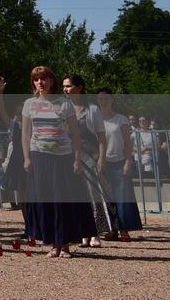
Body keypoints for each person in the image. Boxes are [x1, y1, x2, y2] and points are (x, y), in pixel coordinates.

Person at [22, 65, 97, 257]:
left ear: (51, 81)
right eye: (37, 79)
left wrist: (77, 159)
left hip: (62, 157)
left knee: (61, 201)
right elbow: (25, 134)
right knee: (45, 201)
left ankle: (64, 245)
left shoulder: (64, 103)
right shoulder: (29, 104)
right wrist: (27, 158)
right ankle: (53, 244)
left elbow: (75, 135)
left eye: (44, 78)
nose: (41, 82)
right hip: (39, 156)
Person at [63, 74, 113, 245]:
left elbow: (101, 136)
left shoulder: (92, 109)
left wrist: (102, 158)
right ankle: (82, 232)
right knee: (77, 195)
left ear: (79, 88)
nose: (65, 90)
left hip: (90, 156)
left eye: (68, 86)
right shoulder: (62, 108)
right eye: (64, 86)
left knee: (93, 194)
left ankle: (96, 233)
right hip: (69, 156)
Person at [95, 89, 141, 240]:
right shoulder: (95, 120)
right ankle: (111, 229)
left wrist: (128, 162)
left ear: (112, 100)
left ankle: (124, 229)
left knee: (123, 197)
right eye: (100, 99)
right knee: (107, 198)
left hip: (119, 162)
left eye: (106, 98)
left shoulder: (121, 120)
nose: (103, 101)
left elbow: (128, 144)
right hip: (102, 162)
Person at [0, 76, 26, 210]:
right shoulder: (15, 126)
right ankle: (28, 224)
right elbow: (2, 112)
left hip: (32, 157)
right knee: (21, 192)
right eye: (20, 114)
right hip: (18, 159)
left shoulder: (36, 126)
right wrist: (0, 93)